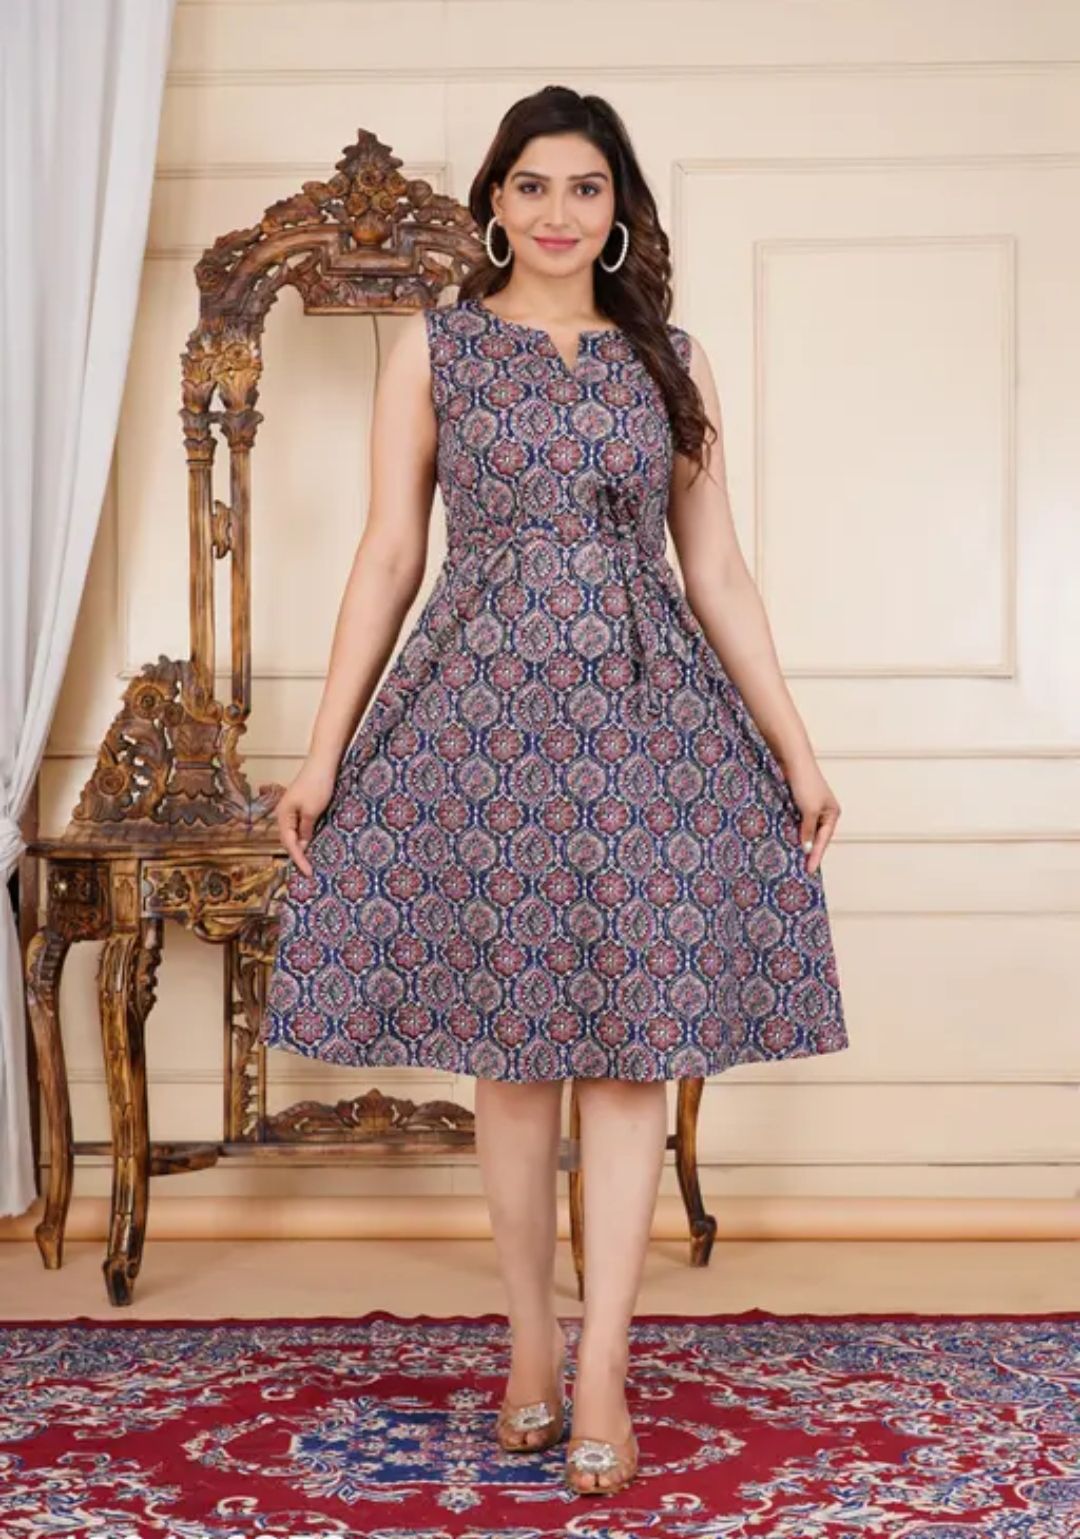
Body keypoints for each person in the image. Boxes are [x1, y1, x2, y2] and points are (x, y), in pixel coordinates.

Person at [259, 85, 849, 1498]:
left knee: (631, 1051)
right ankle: (530, 1342)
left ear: (619, 209)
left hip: (647, 729)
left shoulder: (671, 361)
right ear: (494, 203)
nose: (558, 212)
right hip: (479, 723)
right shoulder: (438, 348)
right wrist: (325, 751)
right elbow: (389, 554)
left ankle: (602, 1370)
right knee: (514, 1055)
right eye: (532, 185)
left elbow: (716, 568)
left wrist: (797, 746)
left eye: (586, 188)